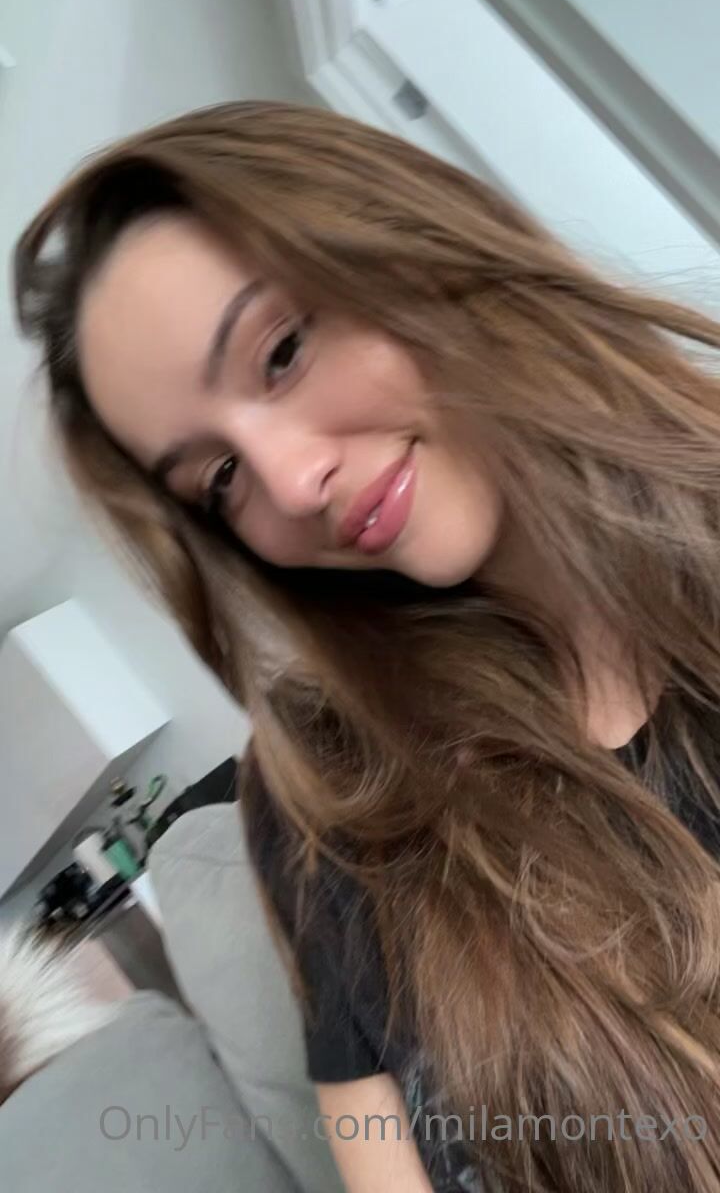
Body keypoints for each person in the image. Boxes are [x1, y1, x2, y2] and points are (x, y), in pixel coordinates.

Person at [14, 100, 720, 1193]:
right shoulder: (321, 787)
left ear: (406, 240)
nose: (294, 482)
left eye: (283, 350)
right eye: (220, 478)